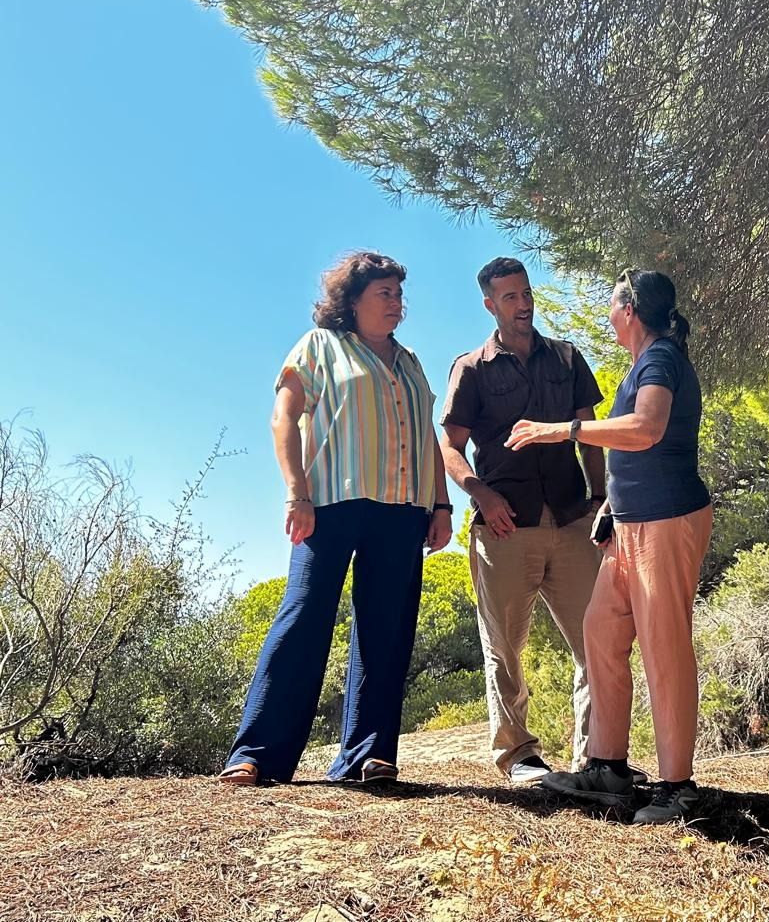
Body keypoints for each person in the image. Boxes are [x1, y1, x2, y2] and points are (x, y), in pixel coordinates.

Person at [220, 251, 453, 787]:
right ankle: (257, 754)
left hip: (403, 510)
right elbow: (284, 418)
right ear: (352, 301)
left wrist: (440, 505)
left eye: (399, 293)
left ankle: (368, 755)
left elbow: (427, 440)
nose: (397, 303)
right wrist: (295, 492)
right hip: (329, 505)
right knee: (303, 618)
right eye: (385, 294)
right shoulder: (319, 347)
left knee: (386, 630)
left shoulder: (411, 362)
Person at [504, 269, 712, 825]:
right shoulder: (647, 360)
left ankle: (678, 787)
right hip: (629, 525)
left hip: (666, 521)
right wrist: (611, 508)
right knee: (601, 628)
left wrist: (562, 431)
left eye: (612, 307)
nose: (607, 318)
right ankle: (607, 767)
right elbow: (634, 446)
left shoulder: (662, 358)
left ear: (630, 310)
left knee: (663, 646)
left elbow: (646, 429)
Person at [439, 257, 607, 784]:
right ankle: (519, 757)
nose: (523, 304)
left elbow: (590, 430)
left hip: (574, 519)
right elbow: (449, 447)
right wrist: (479, 493)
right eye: (510, 297)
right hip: (505, 527)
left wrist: (600, 497)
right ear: (490, 304)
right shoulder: (471, 368)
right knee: (505, 649)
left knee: (597, 642)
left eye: (526, 293)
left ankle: (596, 756)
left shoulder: (567, 357)